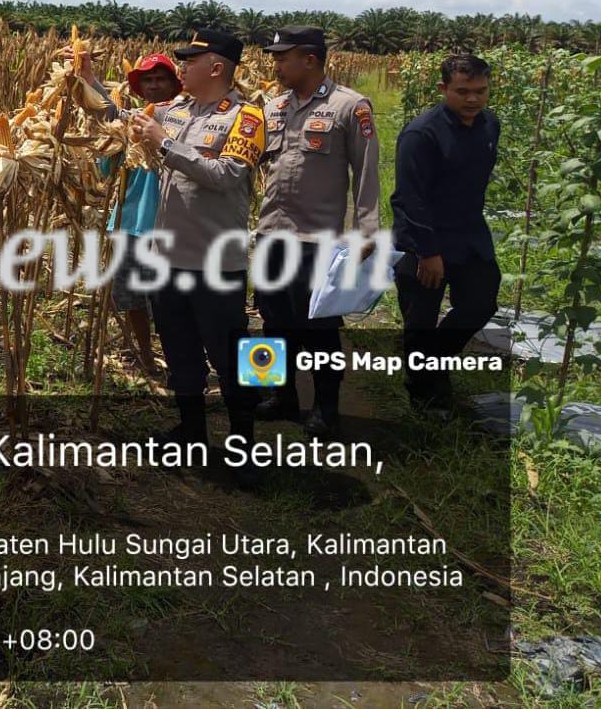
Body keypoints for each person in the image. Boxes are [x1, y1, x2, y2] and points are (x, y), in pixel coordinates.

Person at [129, 28, 266, 487]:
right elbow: (121, 117)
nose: (182, 68)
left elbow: (225, 175)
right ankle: (191, 433)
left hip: (216, 265)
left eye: (190, 61)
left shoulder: (246, 118)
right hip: (168, 260)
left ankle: (246, 445)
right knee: (181, 352)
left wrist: (165, 144)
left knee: (231, 357)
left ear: (216, 67)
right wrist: (85, 78)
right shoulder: (175, 111)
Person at [253, 26, 381, 438]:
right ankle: (277, 394)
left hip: (316, 239)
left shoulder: (350, 107)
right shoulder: (273, 108)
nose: (275, 65)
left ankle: (327, 407)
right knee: (271, 320)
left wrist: (366, 230)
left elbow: (366, 172)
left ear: (309, 59)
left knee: (319, 327)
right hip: (271, 233)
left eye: (282, 57)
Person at [391, 53, 500, 416]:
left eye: (481, 91)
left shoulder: (489, 126)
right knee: (420, 319)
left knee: (481, 302)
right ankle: (424, 397)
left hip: (469, 236)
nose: (473, 99)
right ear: (443, 88)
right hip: (423, 239)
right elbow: (410, 197)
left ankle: (431, 365)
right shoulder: (422, 134)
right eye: (463, 91)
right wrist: (428, 251)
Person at [78, 53, 183, 376]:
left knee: (170, 301)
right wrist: (88, 79)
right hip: (128, 222)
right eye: (147, 80)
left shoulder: (185, 120)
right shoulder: (131, 122)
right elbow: (108, 118)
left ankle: (181, 362)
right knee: (131, 297)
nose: (154, 86)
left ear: (174, 84)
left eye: (161, 79)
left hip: (171, 226)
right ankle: (146, 356)